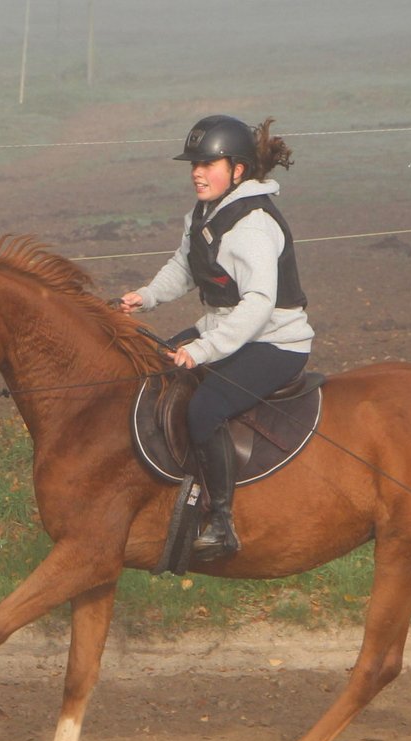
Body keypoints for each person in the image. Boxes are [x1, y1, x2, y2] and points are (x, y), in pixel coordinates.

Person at [120, 115, 314, 561]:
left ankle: (222, 522)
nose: (197, 172)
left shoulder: (253, 225)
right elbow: (184, 268)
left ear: (238, 170)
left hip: (275, 342)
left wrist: (202, 350)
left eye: (209, 163)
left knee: (206, 406)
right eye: (194, 164)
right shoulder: (204, 214)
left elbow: (258, 305)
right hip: (227, 330)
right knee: (155, 369)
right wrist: (145, 296)